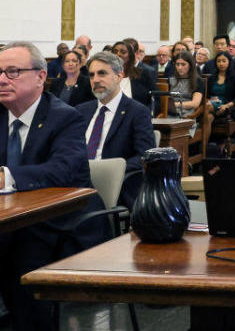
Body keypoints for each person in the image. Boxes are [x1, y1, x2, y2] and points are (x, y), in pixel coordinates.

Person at [0, 42, 109, 331]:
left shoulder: (65, 117)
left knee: (19, 258)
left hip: (58, 223)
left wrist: (7, 177)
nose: (1, 79)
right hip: (10, 220)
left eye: (12, 72)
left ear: (40, 76)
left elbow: (63, 170)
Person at [76, 52, 155, 209]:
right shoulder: (81, 111)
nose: (95, 80)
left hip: (114, 185)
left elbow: (145, 155)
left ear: (119, 76)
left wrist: (108, 169)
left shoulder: (137, 112)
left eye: (102, 73)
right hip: (76, 181)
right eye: (91, 75)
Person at [111, 40, 156, 107]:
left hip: (138, 114)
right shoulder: (106, 75)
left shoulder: (143, 74)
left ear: (130, 56)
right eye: (115, 52)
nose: (118, 54)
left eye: (123, 52)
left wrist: (146, 114)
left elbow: (156, 99)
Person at [209, 52, 235, 122]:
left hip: (226, 108)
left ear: (229, 62)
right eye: (218, 61)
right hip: (212, 104)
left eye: (224, 61)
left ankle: (192, 117)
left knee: (205, 110)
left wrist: (226, 106)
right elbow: (207, 95)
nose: (221, 63)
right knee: (208, 117)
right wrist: (210, 100)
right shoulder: (212, 77)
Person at [167, 52, 203, 117]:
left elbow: (195, 103)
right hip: (170, 113)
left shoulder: (197, 80)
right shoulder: (171, 80)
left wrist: (175, 104)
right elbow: (166, 99)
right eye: (177, 64)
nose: (179, 67)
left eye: (183, 64)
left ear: (190, 65)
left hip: (187, 115)